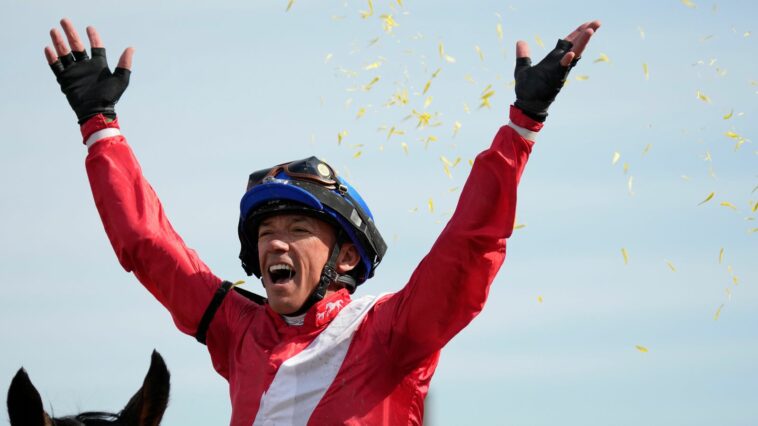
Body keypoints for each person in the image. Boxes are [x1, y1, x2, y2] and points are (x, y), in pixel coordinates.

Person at [44, 17, 600, 425]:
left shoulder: (391, 331)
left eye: (296, 230)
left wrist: (521, 127)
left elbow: (469, 246)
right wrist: (100, 127)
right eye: (265, 233)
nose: (275, 244)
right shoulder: (238, 329)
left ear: (347, 256)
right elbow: (146, 242)